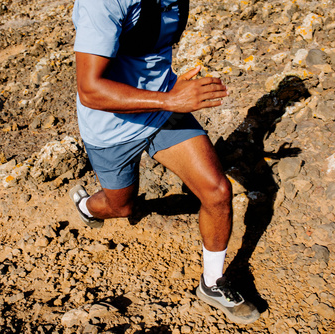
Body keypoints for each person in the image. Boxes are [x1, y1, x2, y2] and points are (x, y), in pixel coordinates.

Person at [69, 0, 260, 324]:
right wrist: (171, 98)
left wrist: (170, 89)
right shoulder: (102, 3)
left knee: (217, 192)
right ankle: (87, 207)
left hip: (161, 112)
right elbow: (90, 90)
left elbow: (147, 53)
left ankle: (212, 283)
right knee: (122, 207)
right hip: (111, 127)